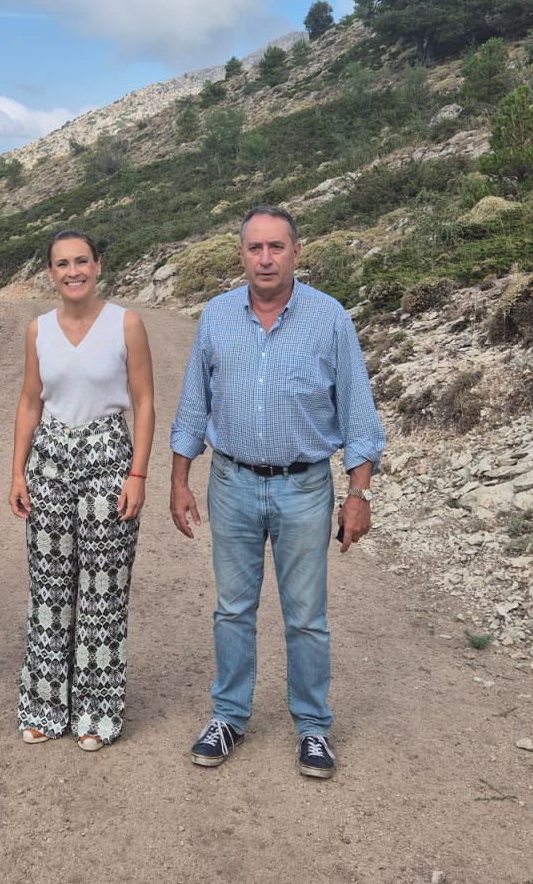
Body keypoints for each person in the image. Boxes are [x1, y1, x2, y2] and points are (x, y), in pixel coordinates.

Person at [168, 205, 384, 780]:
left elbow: (359, 416)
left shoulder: (330, 318)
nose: (265, 258)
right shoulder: (215, 317)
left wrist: (358, 495)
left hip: (305, 487)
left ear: (296, 251)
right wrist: (178, 480)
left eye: (276, 247)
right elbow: (194, 405)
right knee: (232, 610)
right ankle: (229, 716)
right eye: (254, 248)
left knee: (306, 617)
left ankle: (313, 728)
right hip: (231, 483)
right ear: (240, 254)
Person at [9, 230, 155, 751]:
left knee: (103, 589)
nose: (72, 271)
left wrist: (137, 474)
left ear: (97, 265)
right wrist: (17, 471)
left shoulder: (126, 324)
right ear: (50, 272)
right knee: (48, 588)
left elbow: (143, 401)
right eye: (61, 263)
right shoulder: (38, 330)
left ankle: (97, 713)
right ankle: (45, 707)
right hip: (48, 457)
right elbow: (30, 400)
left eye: (81, 261)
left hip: (107, 456)